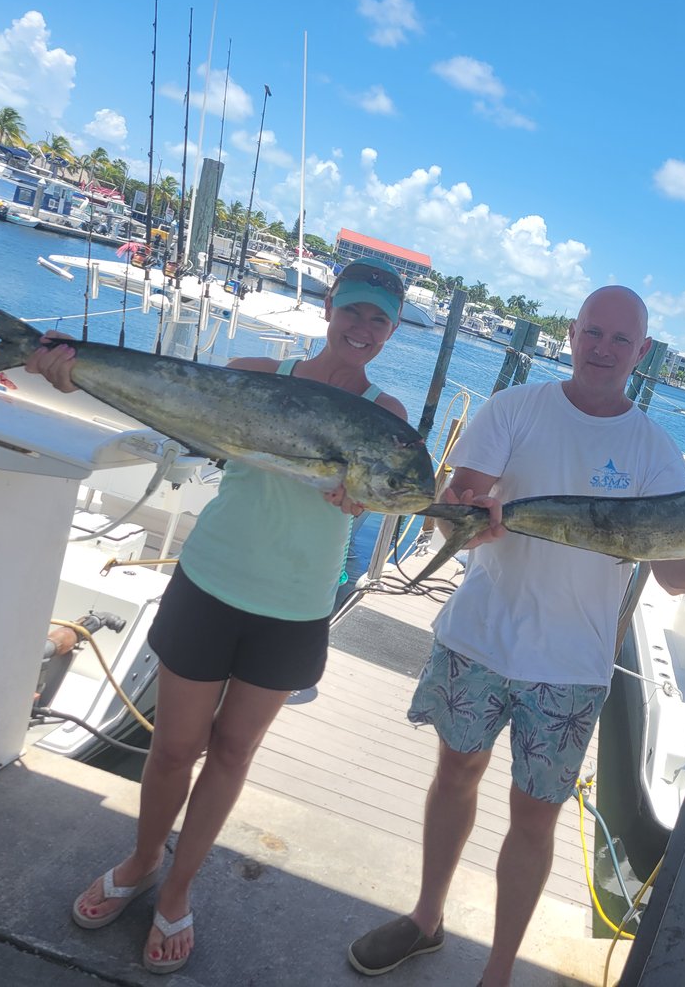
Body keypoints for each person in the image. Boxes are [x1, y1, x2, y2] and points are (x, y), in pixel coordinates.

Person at [347, 285, 685, 985]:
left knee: (534, 816)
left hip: (571, 667)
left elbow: (674, 577)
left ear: (641, 353)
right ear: (571, 334)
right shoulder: (512, 408)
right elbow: (456, 519)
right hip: (478, 638)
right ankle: (425, 919)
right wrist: (466, 513)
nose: (602, 348)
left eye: (619, 340)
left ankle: (497, 972)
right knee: (453, 775)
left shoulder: (654, 454)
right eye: (592, 332)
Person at [29, 257, 411, 975]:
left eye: (378, 319)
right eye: (353, 309)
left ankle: (177, 888)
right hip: (211, 580)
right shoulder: (254, 371)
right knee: (175, 749)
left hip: (294, 607)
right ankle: (143, 859)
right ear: (328, 306)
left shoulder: (384, 422)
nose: (362, 328)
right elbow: (165, 399)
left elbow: (397, 490)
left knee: (233, 754)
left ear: (391, 332)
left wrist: (370, 498)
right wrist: (72, 366)